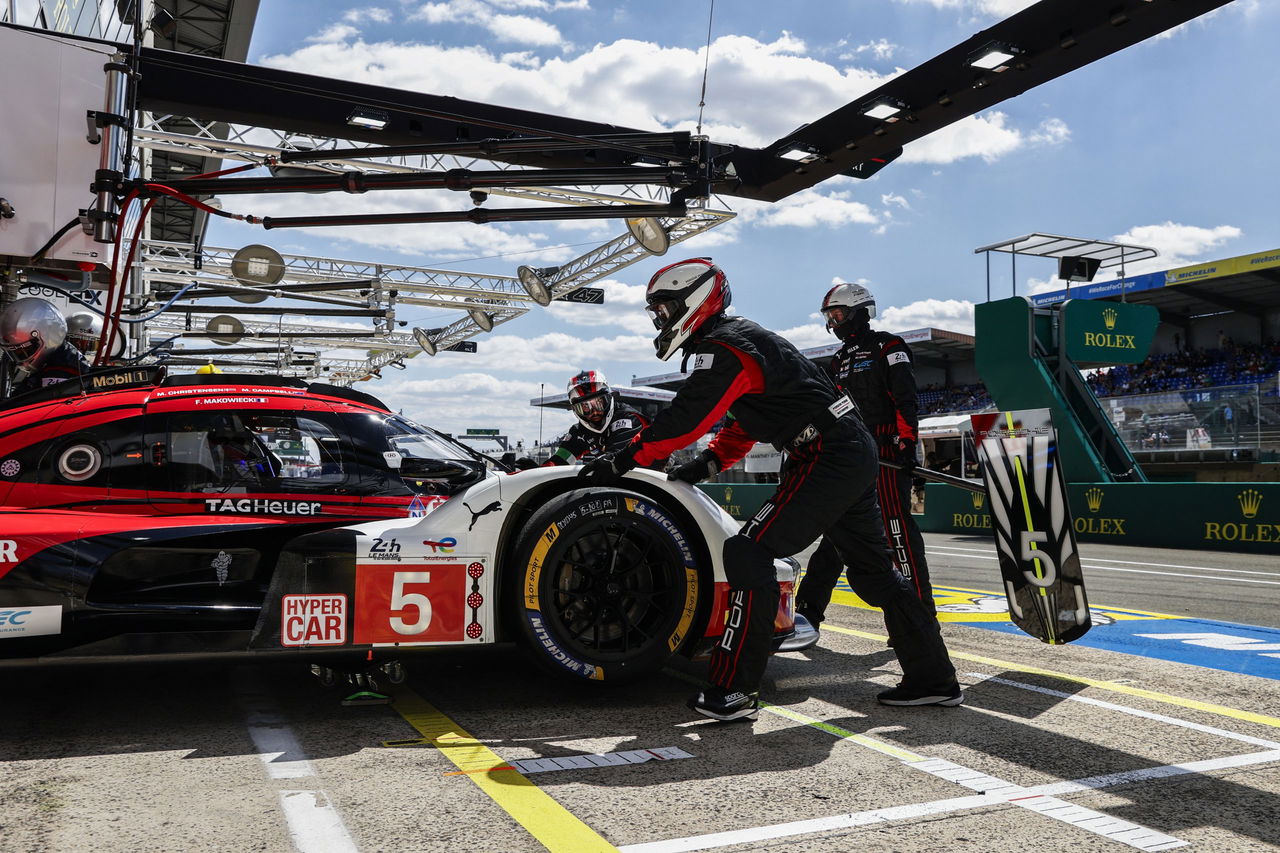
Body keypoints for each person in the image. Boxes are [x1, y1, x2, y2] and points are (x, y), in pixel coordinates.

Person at [579, 258, 961, 721]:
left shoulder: (723, 347)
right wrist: (708, 463)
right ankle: (934, 679)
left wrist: (622, 459)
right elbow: (744, 419)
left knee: (748, 553)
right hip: (844, 448)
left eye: (662, 308)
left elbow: (687, 417)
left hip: (827, 452)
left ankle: (734, 689)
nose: (658, 319)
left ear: (694, 299)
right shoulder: (738, 341)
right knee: (876, 574)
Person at [795, 282, 938, 629]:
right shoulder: (838, 359)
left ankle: (919, 620)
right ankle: (806, 613)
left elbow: (905, 398)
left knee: (898, 533)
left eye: (838, 314)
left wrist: (907, 442)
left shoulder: (889, 346)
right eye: (830, 316)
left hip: (888, 452)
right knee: (836, 533)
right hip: (853, 454)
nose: (833, 322)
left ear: (859, 312)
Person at [542, 369, 651, 465]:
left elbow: (616, 459)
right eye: (585, 407)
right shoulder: (579, 431)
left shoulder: (630, 418)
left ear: (609, 398)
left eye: (598, 403)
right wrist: (535, 469)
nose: (594, 412)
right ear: (575, 410)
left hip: (655, 478)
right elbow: (560, 460)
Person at [0, 297, 89, 398]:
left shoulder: (62, 372)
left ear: (47, 337)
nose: (20, 360)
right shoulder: (58, 359)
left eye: (24, 351)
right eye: (15, 353)